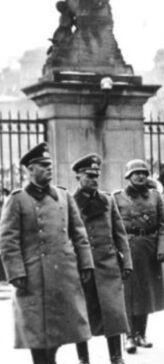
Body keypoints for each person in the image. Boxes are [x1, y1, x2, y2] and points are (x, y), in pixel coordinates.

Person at [0, 142, 94, 364]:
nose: (49, 169)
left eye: (50, 165)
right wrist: (16, 273)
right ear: (30, 170)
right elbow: (8, 241)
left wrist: (86, 263)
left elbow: (79, 233)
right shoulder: (17, 199)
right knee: (37, 332)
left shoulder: (63, 196)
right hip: (33, 277)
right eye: (42, 165)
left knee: (60, 330)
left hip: (63, 274)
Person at [70, 154, 133, 364]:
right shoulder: (69, 202)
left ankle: (116, 356)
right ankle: (83, 358)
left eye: (96, 176)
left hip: (108, 264)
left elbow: (120, 233)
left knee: (114, 312)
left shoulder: (107, 200)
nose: (94, 180)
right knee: (83, 313)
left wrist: (127, 262)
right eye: (89, 176)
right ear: (78, 176)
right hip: (83, 266)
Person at [113, 159, 164, 354]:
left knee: (145, 293)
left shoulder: (155, 197)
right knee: (129, 293)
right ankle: (128, 336)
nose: (140, 176)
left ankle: (141, 334)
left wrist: (162, 248)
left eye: (144, 173)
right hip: (127, 248)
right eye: (136, 173)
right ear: (128, 176)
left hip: (149, 248)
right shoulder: (117, 198)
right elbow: (113, 227)